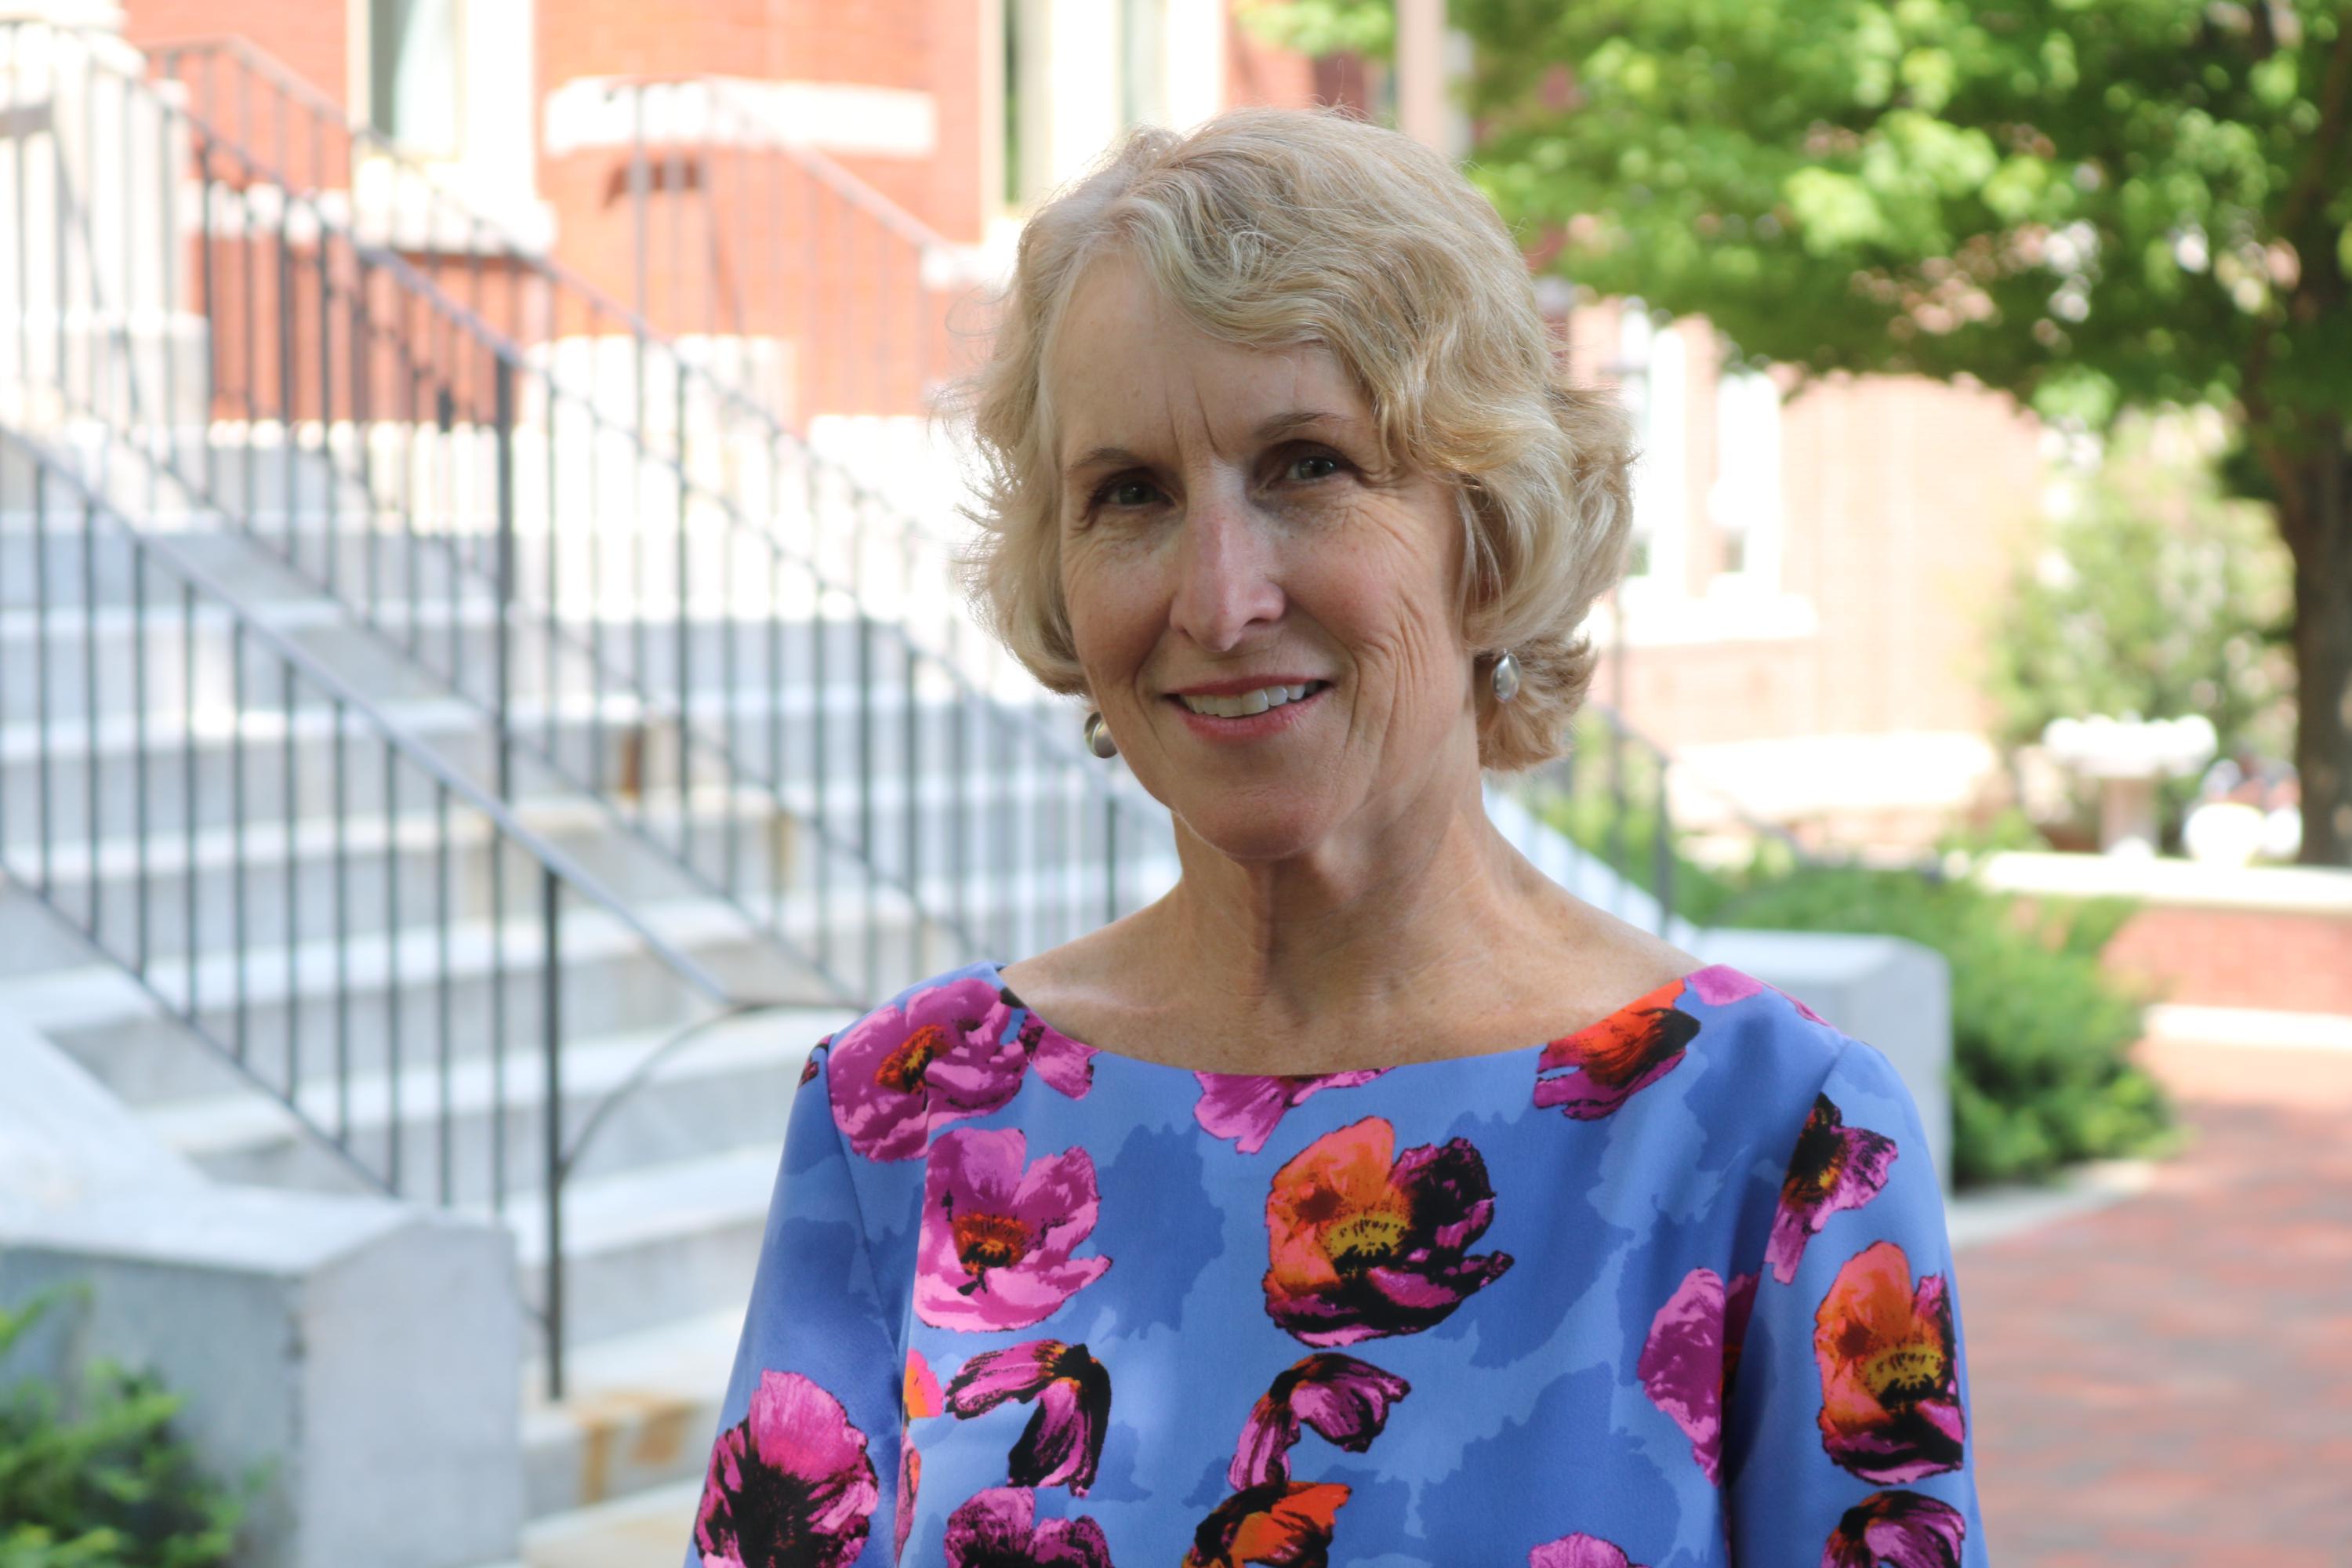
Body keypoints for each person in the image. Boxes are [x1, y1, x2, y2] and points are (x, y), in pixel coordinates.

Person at [686, 107, 1985, 1568]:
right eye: (1130, 495)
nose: (1219, 597)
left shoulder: (1772, 1139)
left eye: (1306, 465)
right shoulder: (906, 1115)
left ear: (1484, 526)